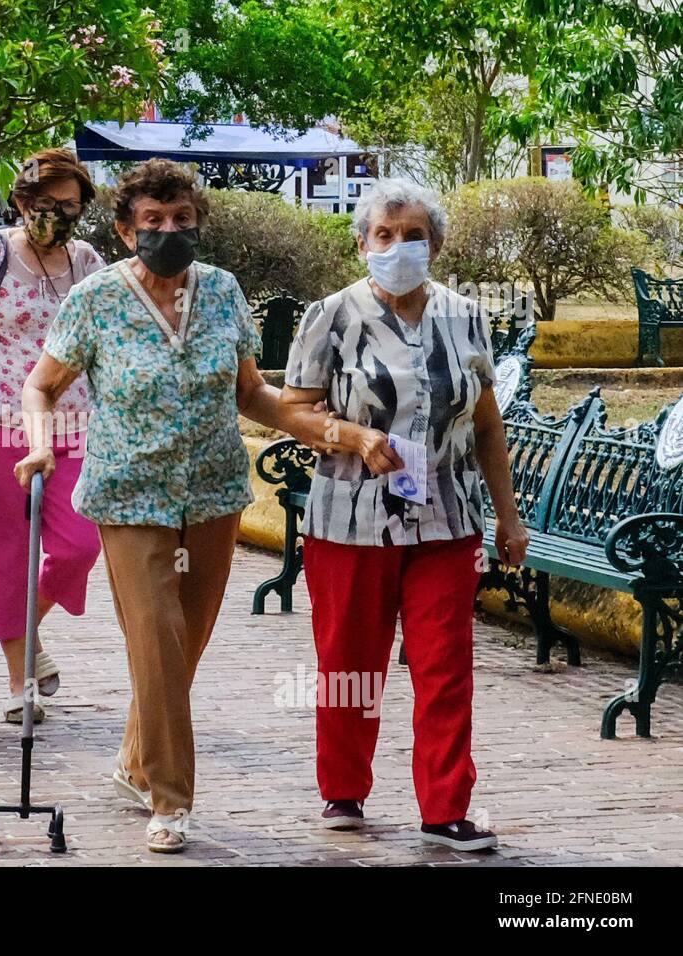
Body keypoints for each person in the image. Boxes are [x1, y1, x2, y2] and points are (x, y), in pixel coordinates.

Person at [15, 158, 326, 852]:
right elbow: (41, 386)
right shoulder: (95, 299)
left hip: (213, 491)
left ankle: (132, 762)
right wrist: (39, 447)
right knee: (156, 640)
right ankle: (172, 799)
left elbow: (252, 393)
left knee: (182, 648)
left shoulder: (222, 291)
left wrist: (322, 428)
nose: (168, 231)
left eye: (181, 218)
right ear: (126, 231)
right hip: (128, 493)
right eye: (152, 221)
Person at [279, 177, 529, 852]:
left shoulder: (466, 315)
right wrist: (354, 436)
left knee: (445, 664)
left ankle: (446, 809)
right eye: (384, 236)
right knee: (350, 662)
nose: (398, 247)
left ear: (435, 244)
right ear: (362, 243)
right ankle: (344, 791)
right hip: (350, 517)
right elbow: (293, 410)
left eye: (412, 235)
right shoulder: (329, 315)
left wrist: (508, 517)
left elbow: (486, 426)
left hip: (446, 517)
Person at [0, 148, 106, 723]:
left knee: (80, 544)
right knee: (6, 555)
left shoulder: (87, 263)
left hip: (73, 423)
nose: (58, 214)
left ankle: (28, 636)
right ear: (23, 201)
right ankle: (19, 684)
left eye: (71, 205)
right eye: (46, 203)